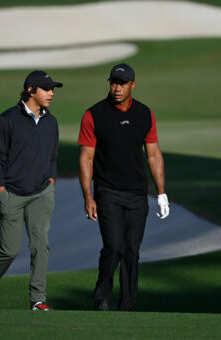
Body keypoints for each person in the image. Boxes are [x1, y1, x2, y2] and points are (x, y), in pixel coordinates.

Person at [78, 63, 169, 311]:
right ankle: (101, 297)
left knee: (132, 251)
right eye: (113, 83)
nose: (117, 88)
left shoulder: (144, 113)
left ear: (133, 85)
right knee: (114, 246)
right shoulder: (94, 114)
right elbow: (86, 158)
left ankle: (127, 306)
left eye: (122, 83)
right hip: (108, 192)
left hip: (137, 194)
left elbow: (153, 154)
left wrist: (161, 193)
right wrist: (88, 196)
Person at [0, 70, 63, 311]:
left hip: (41, 193)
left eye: (52, 89)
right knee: (9, 250)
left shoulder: (51, 121)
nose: (51, 93)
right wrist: (1, 191)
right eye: (46, 89)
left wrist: (51, 180)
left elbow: (52, 156)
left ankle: (38, 299)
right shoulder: (6, 120)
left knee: (40, 246)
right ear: (31, 90)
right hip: (11, 193)